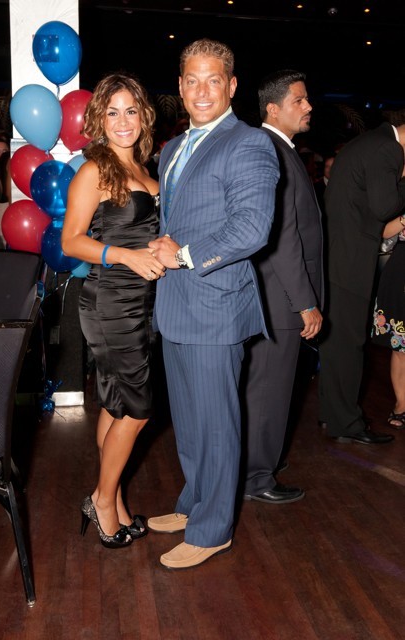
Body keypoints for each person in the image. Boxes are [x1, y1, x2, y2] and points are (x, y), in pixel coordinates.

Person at [147, 38, 279, 569]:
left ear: (231, 86)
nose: (202, 91)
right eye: (192, 81)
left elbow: (252, 229)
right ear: (180, 87)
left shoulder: (249, 143)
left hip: (216, 306)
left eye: (213, 80)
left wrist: (182, 256)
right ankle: (194, 504)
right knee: (190, 421)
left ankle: (213, 529)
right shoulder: (171, 149)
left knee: (217, 425)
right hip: (176, 305)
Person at [61, 71, 166, 549]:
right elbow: (71, 241)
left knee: (116, 404)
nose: (123, 121)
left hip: (143, 302)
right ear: (99, 120)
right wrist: (126, 255)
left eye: (131, 111)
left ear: (143, 115)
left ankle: (114, 497)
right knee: (139, 411)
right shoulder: (94, 171)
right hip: (110, 302)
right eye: (112, 112)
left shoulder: (146, 169)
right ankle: (102, 500)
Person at [241, 70, 323, 505]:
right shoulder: (270, 150)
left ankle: (260, 460)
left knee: (267, 389)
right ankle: (256, 476)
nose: (308, 107)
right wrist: (304, 301)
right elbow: (281, 238)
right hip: (279, 296)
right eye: (299, 100)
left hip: (275, 294)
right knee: (268, 391)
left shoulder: (279, 148)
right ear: (273, 109)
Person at [317, 108, 405, 444]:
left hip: (340, 256)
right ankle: (347, 424)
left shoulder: (370, 142)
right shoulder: (387, 148)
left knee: (337, 343)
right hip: (349, 260)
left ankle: (332, 413)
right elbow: (385, 207)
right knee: (348, 345)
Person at [372, 213, 405, 429]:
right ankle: (402, 404)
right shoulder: (399, 197)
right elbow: (382, 232)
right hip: (401, 272)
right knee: (400, 346)